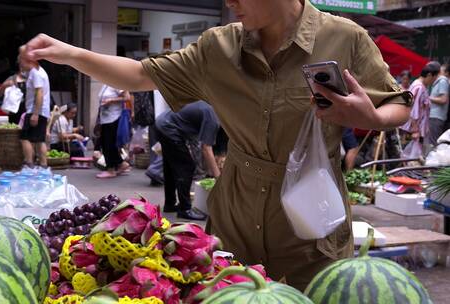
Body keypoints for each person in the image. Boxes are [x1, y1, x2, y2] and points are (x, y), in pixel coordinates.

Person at [21, 0, 411, 289]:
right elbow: (141, 74)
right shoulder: (217, 48)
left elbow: (397, 102)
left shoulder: (344, 39)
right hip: (234, 218)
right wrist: (69, 54)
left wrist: (372, 118)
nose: (228, 2)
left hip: (311, 222)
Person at [155, 101, 221, 221]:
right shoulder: (213, 117)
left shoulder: (208, 108)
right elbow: (206, 148)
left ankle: (170, 204)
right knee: (186, 167)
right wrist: (218, 177)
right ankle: (185, 209)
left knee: (170, 167)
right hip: (169, 127)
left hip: (162, 122)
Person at [401, 62, 440, 157]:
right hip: (414, 130)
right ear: (429, 75)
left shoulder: (418, 85)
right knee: (410, 158)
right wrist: (415, 129)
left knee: (411, 157)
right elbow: (413, 109)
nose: (433, 82)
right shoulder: (419, 87)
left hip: (416, 130)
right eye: (434, 79)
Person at [19, 55, 51, 167]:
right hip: (40, 110)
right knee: (39, 140)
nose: (20, 64)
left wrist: (35, 114)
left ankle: (29, 163)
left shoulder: (35, 73)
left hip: (35, 110)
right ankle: (43, 165)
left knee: (24, 137)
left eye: (21, 61)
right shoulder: (38, 71)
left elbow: (39, 93)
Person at [95, 84, 132, 179]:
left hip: (114, 118)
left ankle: (111, 169)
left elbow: (127, 97)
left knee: (108, 144)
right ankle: (121, 164)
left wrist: (111, 100)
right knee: (107, 143)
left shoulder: (116, 83)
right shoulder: (105, 84)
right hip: (105, 118)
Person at [0, 59, 27, 124]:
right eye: (22, 66)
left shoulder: (31, 79)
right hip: (13, 113)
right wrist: (4, 86)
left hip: (27, 112)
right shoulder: (12, 79)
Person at [428, 64, 449, 146]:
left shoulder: (442, 81)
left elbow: (443, 99)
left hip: (437, 116)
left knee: (434, 142)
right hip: (435, 116)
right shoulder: (438, 82)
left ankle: (433, 158)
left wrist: (429, 98)